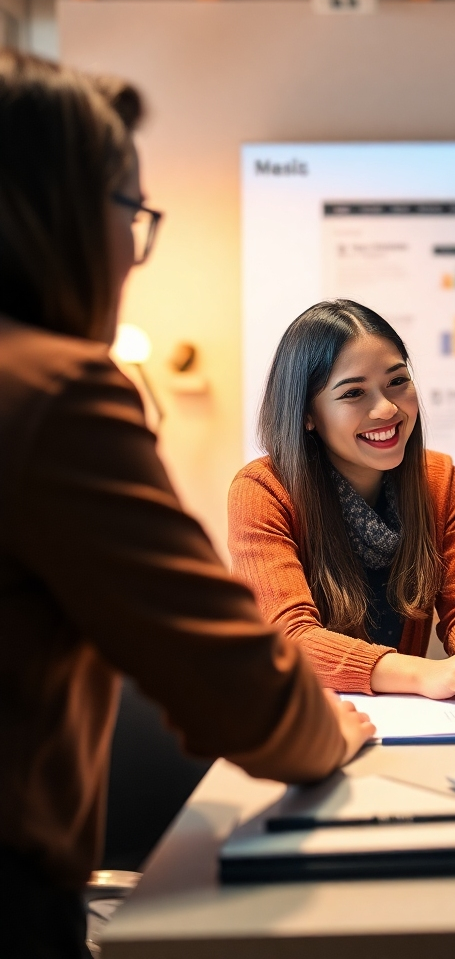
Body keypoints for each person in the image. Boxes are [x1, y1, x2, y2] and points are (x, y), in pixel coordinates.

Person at [0, 51, 374, 958]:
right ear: (58, 213)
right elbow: (240, 687)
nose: (134, 250)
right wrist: (332, 729)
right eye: (130, 211)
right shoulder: (55, 392)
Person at [228, 299, 455, 705]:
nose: (387, 408)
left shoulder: (438, 478)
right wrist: (425, 673)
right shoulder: (262, 490)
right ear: (307, 414)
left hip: (400, 719)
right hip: (300, 716)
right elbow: (290, 638)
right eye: (354, 392)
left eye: (397, 381)